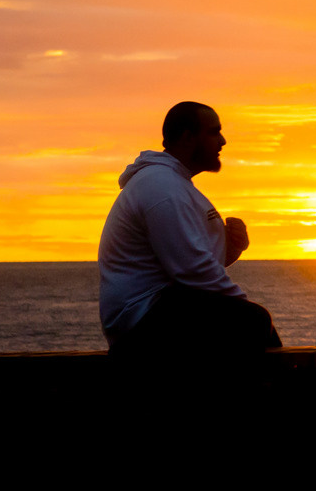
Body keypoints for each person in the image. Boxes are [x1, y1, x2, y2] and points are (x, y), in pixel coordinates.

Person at [99, 100, 281, 355]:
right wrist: (241, 305)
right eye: (214, 132)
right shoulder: (162, 187)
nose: (223, 141)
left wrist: (231, 248)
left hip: (158, 314)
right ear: (187, 138)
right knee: (253, 321)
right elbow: (191, 270)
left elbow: (185, 259)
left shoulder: (173, 183)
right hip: (140, 325)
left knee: (253, 321)